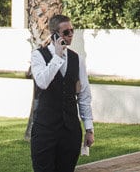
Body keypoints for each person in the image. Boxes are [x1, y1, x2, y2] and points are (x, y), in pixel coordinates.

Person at [29, 14, 94, 171]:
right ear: (55, 34)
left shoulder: (76, 59)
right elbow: (42, 82)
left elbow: (84, 95)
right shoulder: (38, 55)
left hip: (70, 131)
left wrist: (89, 128)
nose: (70, 35)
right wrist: (57, 56)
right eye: (66, 32)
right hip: (45, 130)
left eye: (72, 31)